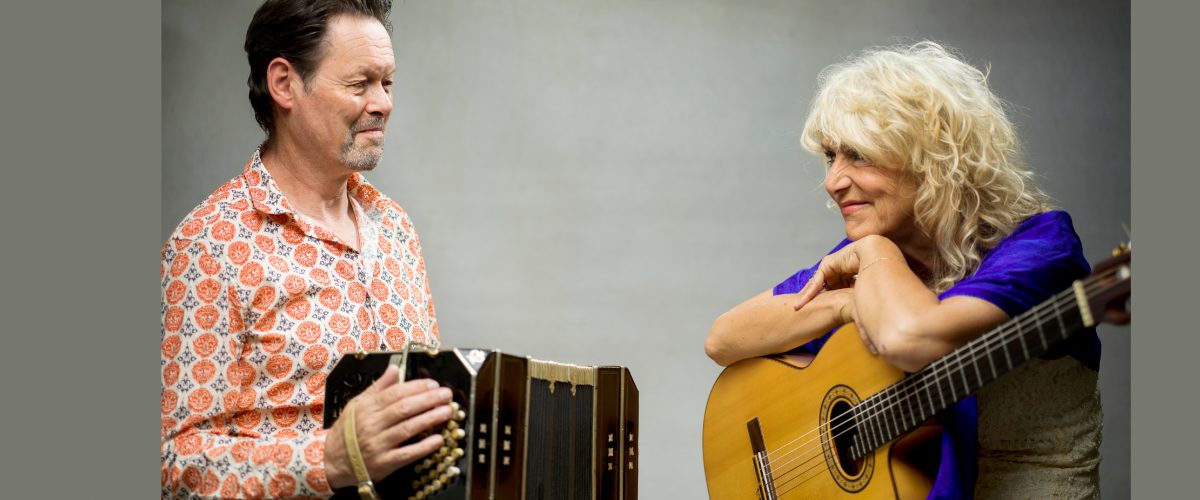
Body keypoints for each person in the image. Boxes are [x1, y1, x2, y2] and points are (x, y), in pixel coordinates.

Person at [705, 41, 1102, 498]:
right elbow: (723, 339)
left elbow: (912, 340)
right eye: (831, 157)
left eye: (858, 154)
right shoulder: (875, 256)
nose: (833, 181)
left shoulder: (1039, 247)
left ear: (930, 155)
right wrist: (847, 304)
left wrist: (874, 252)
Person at [160, 1, 453, 497]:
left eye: (388, 83)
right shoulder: (210, 245)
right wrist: (330, 459)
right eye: (360, 84)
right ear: (284, 84)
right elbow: (171, 461)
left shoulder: (396, 229)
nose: (382, 102)